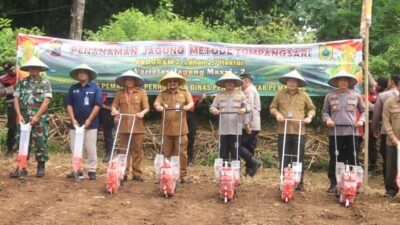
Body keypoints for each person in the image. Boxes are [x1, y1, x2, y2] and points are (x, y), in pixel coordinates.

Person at [269, 70, 316, 191]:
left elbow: (312, 108)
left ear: (298, 83)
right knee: (283, 157)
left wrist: (309, 117)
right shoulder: (280, 94)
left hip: (298, 130)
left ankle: (299, 182)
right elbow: (272, 107)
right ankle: (283, 181)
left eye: (294, 81)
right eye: (289, 81)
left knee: (298, 157)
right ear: (286, 82)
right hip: (283, 130)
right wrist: (277, 114)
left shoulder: (304, 95)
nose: (291, 83)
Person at [322, 71, 365, 193]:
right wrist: (328, 119)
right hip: (335, 132)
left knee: (353, 157)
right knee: (335, 158)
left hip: (352, 132)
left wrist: (361, 121)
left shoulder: (356, 96)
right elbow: (324, 112)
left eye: (345, 81)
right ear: (336, 83)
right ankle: (334, 184)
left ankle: (353, 183)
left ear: (349, 83)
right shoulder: (330, 96)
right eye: (340, 80)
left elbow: (363, 111)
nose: (342, 83)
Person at [10, 57, 52, 178]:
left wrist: (37, 116)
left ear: (39, 69)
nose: (33, 69)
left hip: (40, 119)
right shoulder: (22, 82)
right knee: (21, 142)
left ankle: (41, 166)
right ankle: (21, 167)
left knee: (40, 142)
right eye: (31, 67)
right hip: (24, 118)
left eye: (35, 67)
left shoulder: (45, 83)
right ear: (28, 69)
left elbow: (47, 100)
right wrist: (19, 115)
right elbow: (16, 99)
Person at [154, 71, 194, 184]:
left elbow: (191, 103)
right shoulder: (162, 94)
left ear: (178, 83)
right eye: (170, 81)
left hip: (181, 129)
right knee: (167, 152)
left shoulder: (185, 92)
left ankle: (183, 175)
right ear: (167, 83)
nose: (172, 83)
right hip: (166, 129)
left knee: (182, 153)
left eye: (174, 81)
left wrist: (187, 106)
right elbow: (156, 104)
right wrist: (158, 107)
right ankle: (167, 174)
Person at [65, 64, 102, 180]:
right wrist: (73, 119)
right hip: (75, 124)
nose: (81, 74)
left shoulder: (95, 88)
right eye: (79, 72)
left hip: (91, 124)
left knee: (90, 147)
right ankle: (77, 169)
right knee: (75, 147)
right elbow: (68, 104)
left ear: (89, 75)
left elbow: (97, 105)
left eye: (84, 72)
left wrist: (89, 120)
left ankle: (92, 170)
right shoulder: (73, 88)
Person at [111, 70, 149, 181]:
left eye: (131, 79)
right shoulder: (120, 93)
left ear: (135, 81)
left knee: (137, 150)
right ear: (124, 81)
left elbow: (146, 108)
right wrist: (114, 111)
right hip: (123, 125)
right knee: (123, 150)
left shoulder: (141, 92)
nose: (129, 81)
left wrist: (142, 113)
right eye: (127, 79)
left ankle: (137, 173)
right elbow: (114, 106)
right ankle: (123, 172)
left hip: (137, 125)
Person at [210, 72, 252, 164]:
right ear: (224, 83)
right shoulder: (219, 96)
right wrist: (214, 110)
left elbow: (248, 107)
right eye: (227, 81)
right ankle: (223, 173)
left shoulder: (241, 95)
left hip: (236, 129)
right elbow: (212, 107)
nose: (229, 83)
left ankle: (235, 173)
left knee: (235, 152)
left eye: (231, 82)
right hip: (223, 129)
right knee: (223, 152)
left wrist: (244, 109)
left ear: (235, 83)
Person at [372, 75, 399, 181]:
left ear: (392, 82)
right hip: (392, 133)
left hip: (386, 132)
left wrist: (374, 129)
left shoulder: (383, 95)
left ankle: (388, 181)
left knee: (387, 158)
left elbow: (376, 115)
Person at [239, 73, 262, 177]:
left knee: (237, 145)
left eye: (241, 80)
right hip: (254, 123)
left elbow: (249, 108)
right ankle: (249, 171)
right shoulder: (251, 89)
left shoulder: (249, 91)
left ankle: (253, 163)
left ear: (246, 80)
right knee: (248, 146)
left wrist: (246, 123)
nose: (239, 83)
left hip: (250, 123)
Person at [382, 77, 400, 197]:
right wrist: (392, 137)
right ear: (398, 87)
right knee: (391, 167)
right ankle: (391, 190)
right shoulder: (390, 102)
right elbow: (386, 121)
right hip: (392, 141)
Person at [368, 76, 388, 176]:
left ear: (382, 86)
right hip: (367, 122)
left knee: (373, 146)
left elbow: (375, 109)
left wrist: (364, 101)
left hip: (378, 124)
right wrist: (365, 69)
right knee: (365, 144)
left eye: (378, 85)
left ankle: (373, 168)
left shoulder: (383, 95)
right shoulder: (376, 89)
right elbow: (371, 81)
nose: (375, 85)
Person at [0, 61, 17, 159]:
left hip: (25, 103)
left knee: (27, 125)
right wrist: (12, 88)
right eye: (9, 70)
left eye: (12, 69)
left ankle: (26, 150)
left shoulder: (23, 73)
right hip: (12, 103)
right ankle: (10, 149)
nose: (12, 71)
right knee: (12, 127)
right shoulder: (2, 78)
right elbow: (0, 92)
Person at [186, 93, 206, 166]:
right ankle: (178, 158)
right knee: (180, 137)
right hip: (181, 114)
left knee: (191, 137)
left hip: (192, 115)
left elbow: (198, 108)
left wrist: (202, 99)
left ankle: (190, 159)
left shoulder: (196, 91)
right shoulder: (182, 90)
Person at [99, 92, 114, 163]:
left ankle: (110, 154)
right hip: (98, 106)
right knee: (92, 131)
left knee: (108, 132)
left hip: (111, 107)